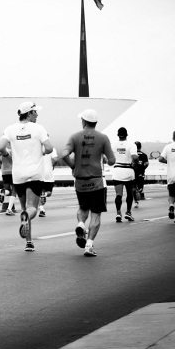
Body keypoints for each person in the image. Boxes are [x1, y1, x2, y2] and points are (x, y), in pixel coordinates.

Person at [59, 109, 115, 257]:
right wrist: (104, 158)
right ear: (95, 123)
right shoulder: (103, 138)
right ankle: (89, 245)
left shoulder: (74, 137)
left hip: (80, 182)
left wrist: (73, 165)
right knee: (96, 214)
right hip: (96, 181)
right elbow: (112, 161)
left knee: (83, 209)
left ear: (83, 121)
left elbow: (64, 154)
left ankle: (81, 224)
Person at [0, 101, 53, 252]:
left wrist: (7, 154)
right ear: (29, 113)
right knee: (31, 209)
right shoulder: (39, 128)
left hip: (18, 174)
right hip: (35, 173)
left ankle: (28, 242)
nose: (37, 114)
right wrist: (41, 152)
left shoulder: (10, 129)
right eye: (35, 112)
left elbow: (1, 147)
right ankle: (27, 232)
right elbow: (49, 148)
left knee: (24, 209)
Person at [111, 127, 138, 223]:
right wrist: (136, 161)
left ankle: (118, 213)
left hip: (117, 171)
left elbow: (109, 159)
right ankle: (128, 212)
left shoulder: (113, 145)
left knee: (118, 194)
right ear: (127, 135)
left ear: (118, 135)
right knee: (129, 193)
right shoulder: (131, 145)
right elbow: (134, 156)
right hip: (128, 171)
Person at [0, 149, 17, 215]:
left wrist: (2, 163)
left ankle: (4, 192)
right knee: (14, 190)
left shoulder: (3, 148)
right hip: (13, 170)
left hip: (4, 171)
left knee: (7, 190)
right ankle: (9, 209)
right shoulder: (14, 148)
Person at [38, 147, 58, 217]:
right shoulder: (52, 148)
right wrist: (52, 166)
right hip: (48, 174)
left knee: (39, 193)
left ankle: (41, 210)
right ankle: (45, 195)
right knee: (49, 193)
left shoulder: (37, 148)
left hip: (39, 173)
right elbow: (55, 159)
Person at [133, 141, 149, 207]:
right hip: (141, 173)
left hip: (133, 173)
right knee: (140, 188)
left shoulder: (132, 155)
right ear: (140, 147)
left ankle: (136, 201)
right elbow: (146, 164)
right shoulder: (144, 155)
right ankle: (139, 195)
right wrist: (143, 168)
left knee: (133, 187)